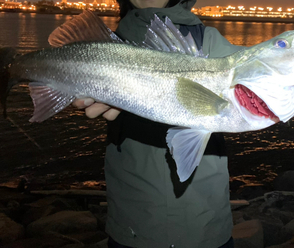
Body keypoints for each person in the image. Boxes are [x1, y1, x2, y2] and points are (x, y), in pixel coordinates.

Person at [73, 0, 243, 247]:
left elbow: (248, 78)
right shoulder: (106, 42)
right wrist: (67, 86)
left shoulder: (209, 41)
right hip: (131, 225)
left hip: (206, 225)